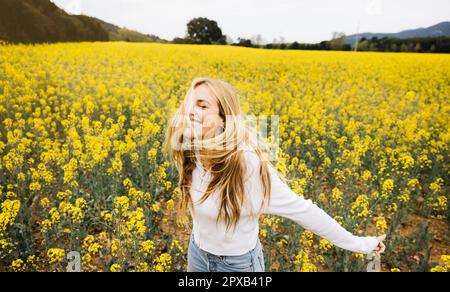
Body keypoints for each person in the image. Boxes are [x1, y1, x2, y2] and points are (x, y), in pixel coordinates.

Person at [163, 76, 386, 272]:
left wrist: (362, 244)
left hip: (236, 265)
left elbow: (302, 210)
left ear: (224, 119)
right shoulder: (189, 151)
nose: (191, 111)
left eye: (202, 106)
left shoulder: (247, 164)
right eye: (190, 104)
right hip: (198, 254)